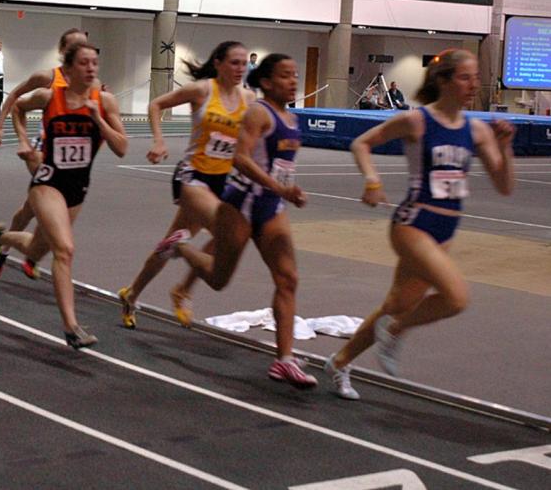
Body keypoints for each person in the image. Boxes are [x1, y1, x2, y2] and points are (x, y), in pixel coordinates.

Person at [324, 49, 515, 400]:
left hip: (446, 229)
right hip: (413, 222)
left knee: (396, 302)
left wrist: (506, 147)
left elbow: (504, 186)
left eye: (475, 77)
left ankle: (340, 361)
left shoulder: (476, 131)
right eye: (465, 77)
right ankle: (395, 331)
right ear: (443, 81)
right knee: (456, 298)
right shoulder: (418, 122)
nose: (474, 84)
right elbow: (361, 143)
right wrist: (372, 181)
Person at [161, 54, 316, 388]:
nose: (293, 81)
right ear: (267, 81)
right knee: (218, 279)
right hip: (241, 205)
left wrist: (283, 192)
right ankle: (182, 246)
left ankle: (284, 361)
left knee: (287, 278)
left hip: (271, 208)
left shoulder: (291, 117)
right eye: (286, 76)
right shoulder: (258, 113)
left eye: (295, 75)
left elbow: (279, 165)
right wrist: (280, 188)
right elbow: (241, 158)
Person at [0, 43, 128, 349]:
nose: (91, 69)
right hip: (47, 181)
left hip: (77, 187)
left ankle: (2, 238)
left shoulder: (106, 101)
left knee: (36, 249)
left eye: (94, 64)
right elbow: (18, 106)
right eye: (84, 63)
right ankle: (71, 327)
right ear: (69, 69)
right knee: (65, 249)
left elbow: (122, 148)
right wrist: (23, 142)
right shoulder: (50, 97)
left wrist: (98, 120)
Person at [118, 41, 254, 329]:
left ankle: (132, 293)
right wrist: (159, 140)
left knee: (170, 243)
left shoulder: (249, 99)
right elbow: (156, 105)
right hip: (192, 176)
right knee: (227, 231)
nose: (240, 69)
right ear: (218, 63)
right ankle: (183, 290)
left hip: (222, 182)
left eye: (244, 63)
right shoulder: (202, 90)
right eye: (234, 62)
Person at [0, 28, 88, 280]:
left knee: (30, 210)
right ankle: (33, 254)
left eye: (84, 46)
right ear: (62, 51)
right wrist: (4, 129)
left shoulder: (88, 82)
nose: (80, 52)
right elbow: (15, 97)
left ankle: (6, 246)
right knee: (52, 206)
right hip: (42, 151)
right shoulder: (47, 78)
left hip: (69, 161)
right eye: (73, 47)